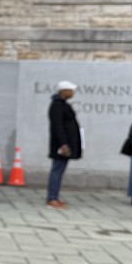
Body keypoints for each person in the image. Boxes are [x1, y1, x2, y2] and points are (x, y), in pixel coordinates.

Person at [46, 80, 82, 209]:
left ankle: (54, 197)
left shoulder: (63, 104)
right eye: (70, 90)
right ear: (64, 91)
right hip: (61, 146)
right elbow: (57, 126)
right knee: (57, 170)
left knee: (59, 170)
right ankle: (52, 198)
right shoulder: (57, 105)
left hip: (66, 144)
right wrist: (63, 144)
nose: (72, 93)